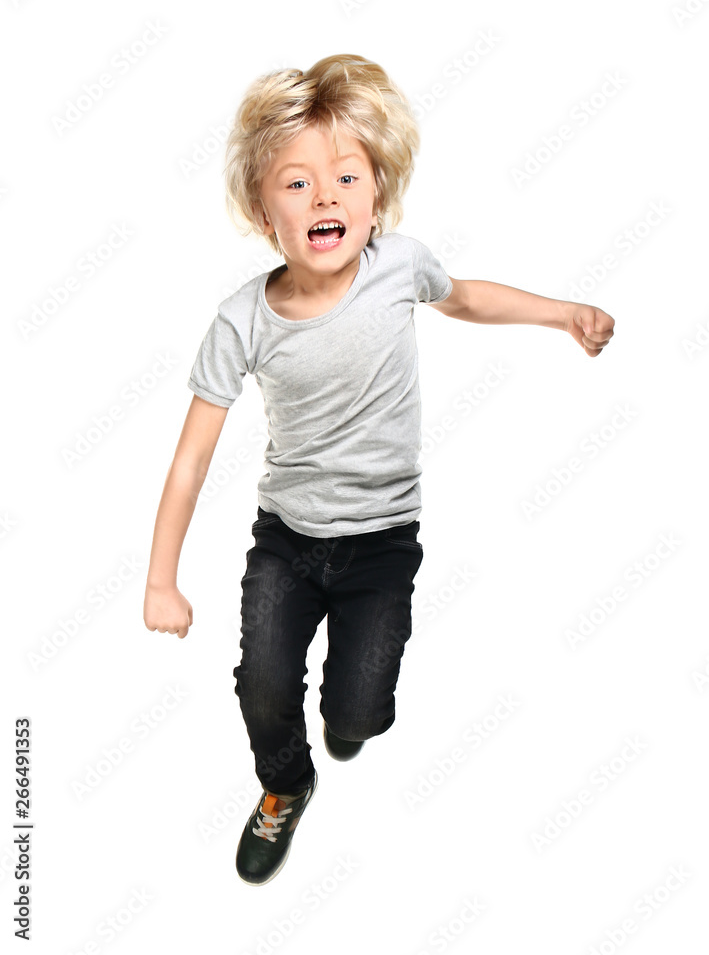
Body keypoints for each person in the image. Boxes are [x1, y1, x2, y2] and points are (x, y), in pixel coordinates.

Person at [143, 53, 615, 887]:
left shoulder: (400, 267)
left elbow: (466, 297)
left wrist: (559, 313)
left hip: (382, 544)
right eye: (296, 184)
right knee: (261, 687)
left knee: (360, 712)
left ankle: (347, 721)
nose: (324, 196)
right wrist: (161, 579)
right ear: (262, 213)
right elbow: (191, 458)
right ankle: (285, 786)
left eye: (346, 177)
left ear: (377, 194)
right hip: (287, 542)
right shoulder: (240, 321)